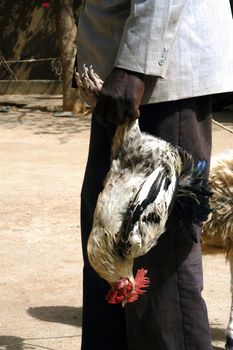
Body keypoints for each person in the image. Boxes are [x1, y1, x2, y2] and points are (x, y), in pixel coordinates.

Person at [74, 1, 233, 349]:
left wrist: (135, 66)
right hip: (120, 73)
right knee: (107, 251)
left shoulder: (139, 70)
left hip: (157, 78)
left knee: (158, 270)